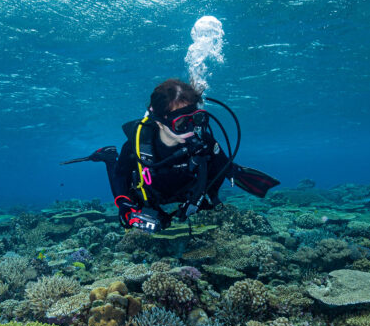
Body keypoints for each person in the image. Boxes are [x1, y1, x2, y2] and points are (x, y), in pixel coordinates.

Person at [62, 78, 280, 232]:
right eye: (182, 123)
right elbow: (121, 176)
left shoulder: (203, 140)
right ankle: (108, 158)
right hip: (152, 193)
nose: (192, 130)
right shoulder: (139, 144)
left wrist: (233, 174)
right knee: (122, 177)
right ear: (160, 121)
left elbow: (223, 167)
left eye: (197, 120)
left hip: (183, 193)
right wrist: (124, 205)